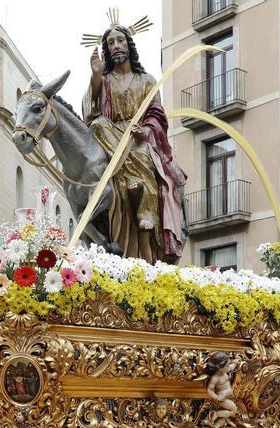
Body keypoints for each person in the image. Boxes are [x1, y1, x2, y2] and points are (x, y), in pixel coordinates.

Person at [82, 20, 187, 263]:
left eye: (120, 40)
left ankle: (146, 212)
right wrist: (96, 76)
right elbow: (91, 111)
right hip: (111, 134)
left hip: (138, 136)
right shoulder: (105, 80)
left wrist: (147, 131)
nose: (116, 46)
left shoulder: (147, 80)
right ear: (107, 50)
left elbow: (157, 113)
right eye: (110, 43)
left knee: (142, 156)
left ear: (129, 44)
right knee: (98, 126)